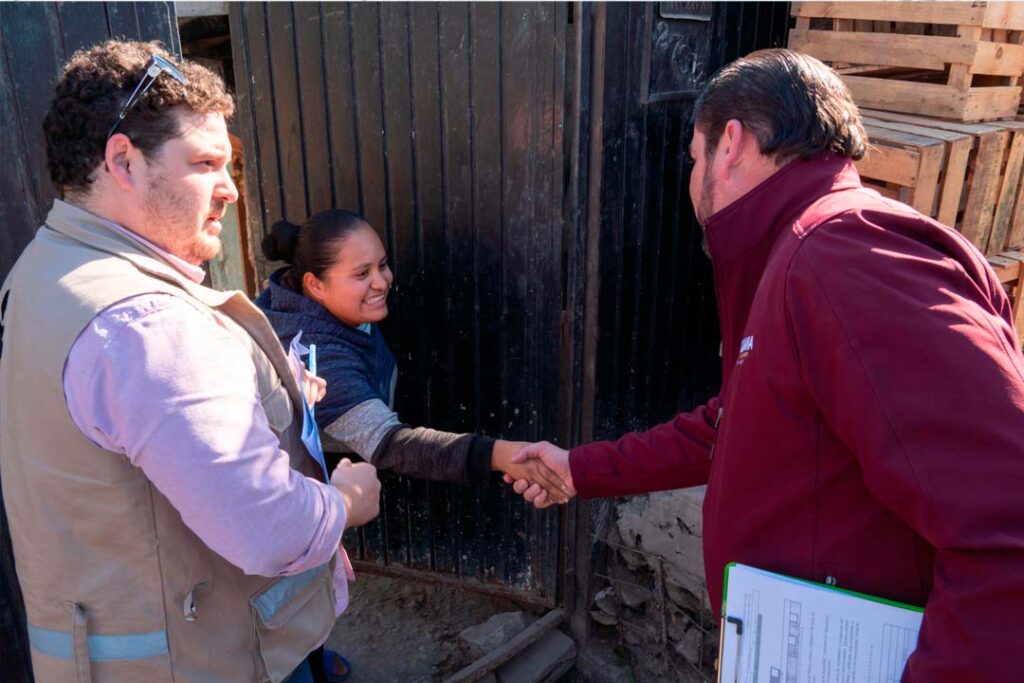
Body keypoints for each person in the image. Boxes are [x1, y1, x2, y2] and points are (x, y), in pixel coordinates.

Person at [509, 48, 1024, 679]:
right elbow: (732, 424)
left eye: (693, 158)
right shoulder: (802, 253)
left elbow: (1008, 527)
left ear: (730, 144)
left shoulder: (845, 253)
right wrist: (579, 469)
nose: (692, 178)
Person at [0, 40, 380, 683]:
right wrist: (344, 501)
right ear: (122, 161)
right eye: (206, 163)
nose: (231, 189)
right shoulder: (147, 324)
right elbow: (270, 531)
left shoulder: (43, 270)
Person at [255, 211, 568, 499]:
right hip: (316, 497)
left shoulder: (308, 299)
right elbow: (390, 444)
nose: (383, 281)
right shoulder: (316, 357)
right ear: (315, 284)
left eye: (382, 264)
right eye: (362, 274)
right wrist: (501, 456)